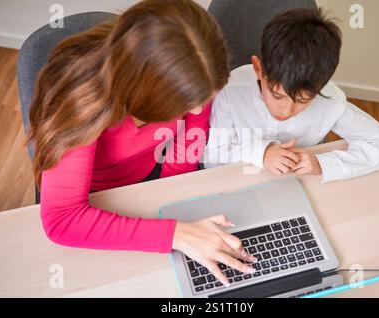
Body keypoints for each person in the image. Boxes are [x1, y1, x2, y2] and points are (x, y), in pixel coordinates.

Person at [29, 0, 255, 287]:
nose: (198, 111)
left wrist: (171, 199)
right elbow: (62, 218)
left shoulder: (194, 74)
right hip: (95, 196)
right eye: (187, 104)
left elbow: (193, 132)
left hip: (153, 178)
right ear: (142, 90)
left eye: (205, 98)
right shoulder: (78, 101)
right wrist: (174, 234)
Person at [203, 8, 379, 183]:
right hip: (238, 186)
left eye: (303, 101)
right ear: (258, 68)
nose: (287, 111)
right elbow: (213, 158)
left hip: (301, 184)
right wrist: (261, 153)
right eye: (277, 95)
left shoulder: (329, 99)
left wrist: (322, 164)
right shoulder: (230, 90)